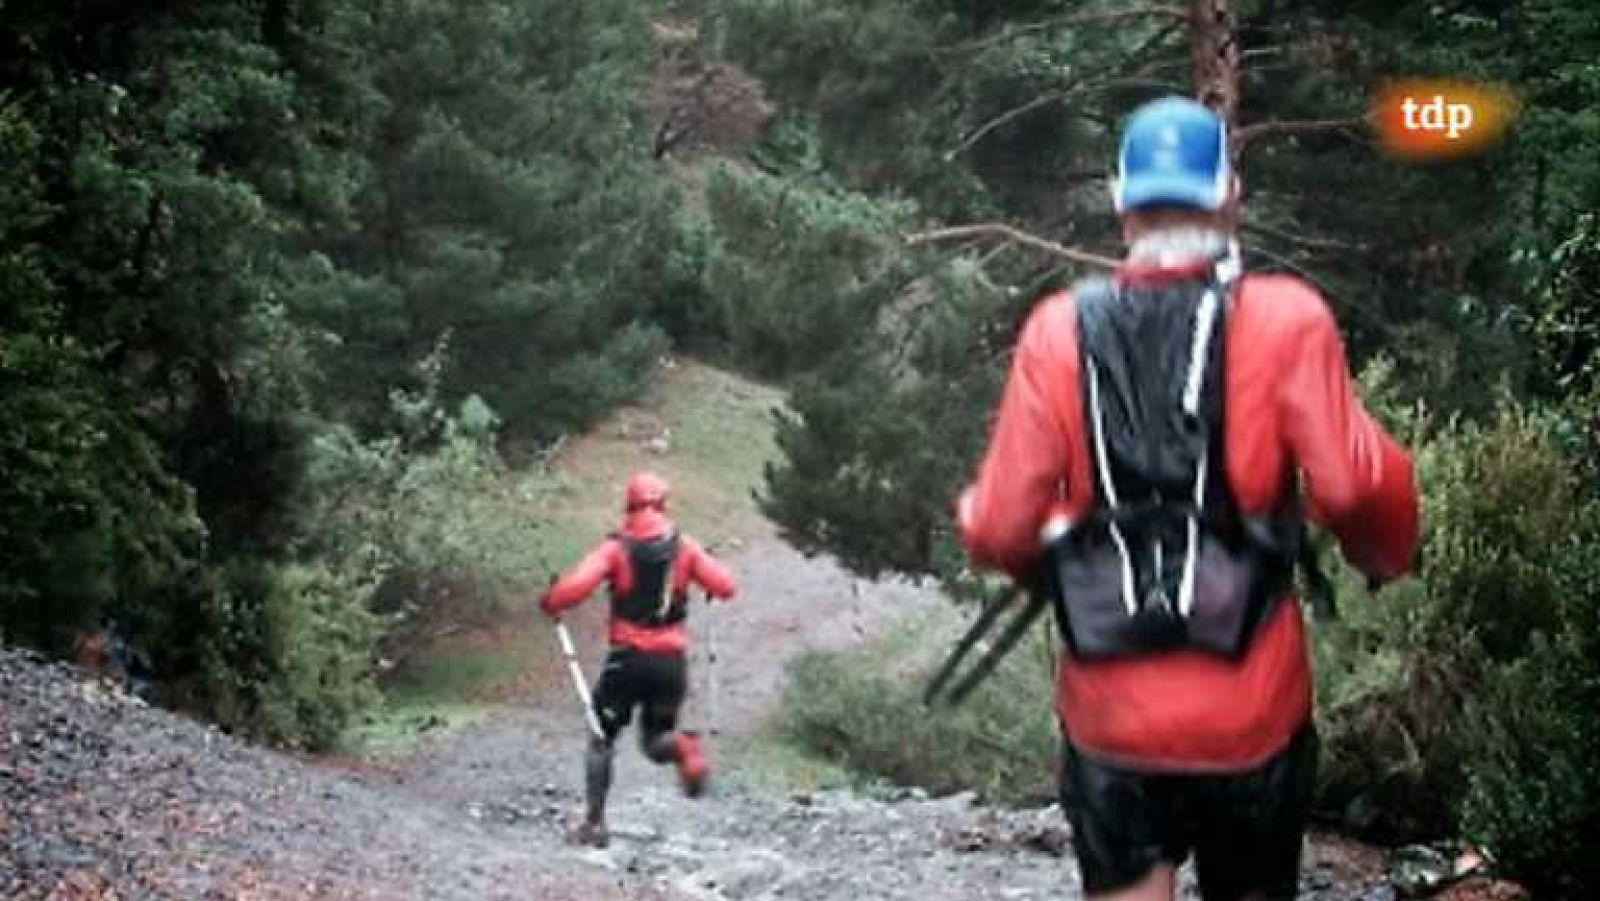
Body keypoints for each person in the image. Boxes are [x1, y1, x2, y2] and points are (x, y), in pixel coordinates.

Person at [955, 96, 1419, 901]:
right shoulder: (1287, 320)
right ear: (1229, 195)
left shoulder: (1057, 330)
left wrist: (1049, 541)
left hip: (1113, 717)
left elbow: (998, 526)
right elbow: (1356, 485)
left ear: (1119, 200)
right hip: (1253, 714)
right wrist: (1382, 551)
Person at [539, 471, 738, 848]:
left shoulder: (616, 549)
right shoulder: (686, 548)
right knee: (656, 739)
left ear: (628, 505)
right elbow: (725, 586)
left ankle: (594, 824)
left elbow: (575, 588)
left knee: (602, 738)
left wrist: (551, 601)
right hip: (670, 663)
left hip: (627, 660)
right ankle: (684, 749)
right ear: (664, 504)